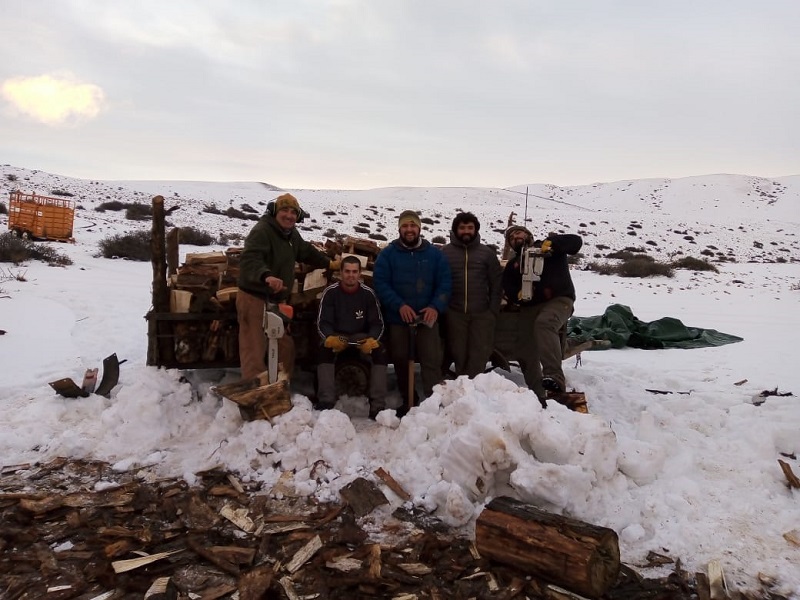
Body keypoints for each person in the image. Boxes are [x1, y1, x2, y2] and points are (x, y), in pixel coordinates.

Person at [236, 193, 338, 380]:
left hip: (276, 299)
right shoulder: (262, 231)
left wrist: (328, 263)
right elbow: (250, 259)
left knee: (285, 347)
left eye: (293, 212)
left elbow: (305, 251)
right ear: (275, 211)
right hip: (254, 297)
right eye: (284, 210)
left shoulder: (291, 234)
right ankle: (255, 397)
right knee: (254, 349)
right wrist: (266, 276)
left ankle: (280, 388)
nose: (289, 215)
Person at [373, 209, 452, 411]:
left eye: (413, 225)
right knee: (400, 358)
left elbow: (445, 283)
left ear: (419, 228)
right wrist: (399, 305)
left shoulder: (434, 254)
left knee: (431, 358)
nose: (409, 229)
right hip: (399, 317)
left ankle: (434, 401)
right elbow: (381, 283)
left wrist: (435, 306)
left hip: (427, 316)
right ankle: (408, 398)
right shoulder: (388, 254)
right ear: (400, 228)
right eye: (405, 226)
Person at [502, 224, 583, 405]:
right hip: (530, 306)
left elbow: (576, 242)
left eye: (519, 233)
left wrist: (553, 242)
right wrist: (517, 296)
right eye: (512, 237)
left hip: (559, 300)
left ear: (528, 234)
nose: (516, 237)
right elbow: (507, 286)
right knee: (524, 349)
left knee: (545, 323)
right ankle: (539, 395)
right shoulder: (513, 265)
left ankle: (554, 378)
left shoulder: (550, 249)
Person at [315, 255, 388, 418]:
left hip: (361, 336)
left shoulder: (368, 294)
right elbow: (322, 322)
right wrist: (329, 337)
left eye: (354, 272)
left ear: (360, 273)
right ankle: (326, 401)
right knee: (323, 349)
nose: (351, 275)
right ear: (341, 273)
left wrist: (372, 339)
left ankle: (378, 405)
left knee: (380, 351)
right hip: (337, 337)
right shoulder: (330, 293)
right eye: (347, 271)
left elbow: (378, 323)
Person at [441, 212, 503, 378]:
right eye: (462, 228)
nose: (466, 231)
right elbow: (438, 282)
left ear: (476, 229)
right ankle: (463, 388)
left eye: (470, 227)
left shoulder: (487, 253)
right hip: (455, 313)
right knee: (458, 352)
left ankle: (476, 389)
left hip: (482, 313)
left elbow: (497, 284)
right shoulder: (445, 253)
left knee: (479, 353)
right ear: (455, 230)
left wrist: (492, 312)